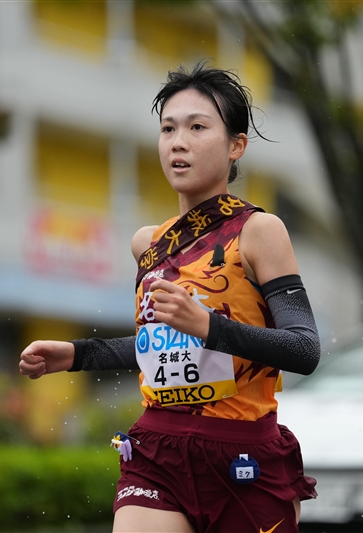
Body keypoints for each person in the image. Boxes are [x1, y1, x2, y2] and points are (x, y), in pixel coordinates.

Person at [19, 61, 320, 533]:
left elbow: (304, 348)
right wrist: (77, 354)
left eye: (198, 127)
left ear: (236, 145)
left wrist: (208, 326)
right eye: (168, 128)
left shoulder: (260, 231)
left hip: (243, 456)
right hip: (159, 450)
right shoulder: (147, 243)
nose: (178, 141)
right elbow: (158, 345)